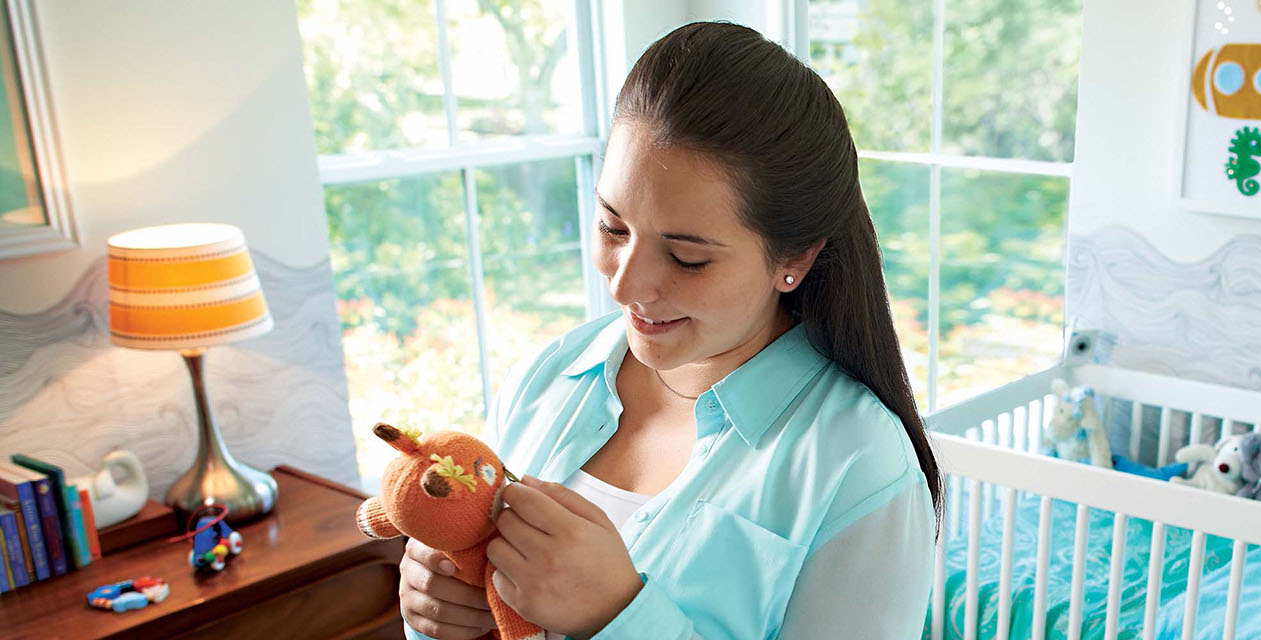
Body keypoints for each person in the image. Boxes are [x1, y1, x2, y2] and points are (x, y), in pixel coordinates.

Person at [394, 21, 941, 640]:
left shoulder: (858, 464)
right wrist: (437, 609)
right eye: (612, 227)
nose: (624, 287)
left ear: (795, 259)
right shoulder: (546, 377)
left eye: (687, 258)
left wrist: (619, 617)